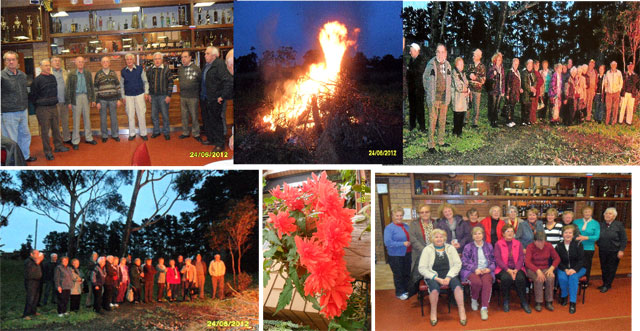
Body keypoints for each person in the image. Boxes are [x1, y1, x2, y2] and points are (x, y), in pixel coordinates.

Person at [418, 229, 467, 326]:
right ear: (432, 239)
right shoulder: (427, 249)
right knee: (435, 290)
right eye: (436, 237)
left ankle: (462, 310)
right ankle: (433, 312)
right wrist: (436, 278)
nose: (439, 239)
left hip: (449, 274)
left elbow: (457, 264)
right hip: (433, 275)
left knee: (458, 287)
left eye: (441, 237)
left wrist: (449, 277)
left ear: (444, 238)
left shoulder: (451, 248)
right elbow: (422, 268)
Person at [30, 59, 70, 160]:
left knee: (56, 128)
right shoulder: (37, 80)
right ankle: (47, 151)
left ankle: (59, 146)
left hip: (54, 107)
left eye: (49, 65)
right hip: (43, 109)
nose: (48, 67)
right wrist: (39, 106)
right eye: (46, 65)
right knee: (45, 132)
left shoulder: (52, 77)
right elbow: (33, 96)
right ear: (41, 67)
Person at [2, 51, 35, 162]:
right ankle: (13, 160)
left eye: (13, 59)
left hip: (23, 111)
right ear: (5, 62)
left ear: (17, 61)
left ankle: (25, 156)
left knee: (25, 135)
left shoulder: (22, 75)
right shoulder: (2, 76)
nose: (11, 62)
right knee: (12, 139)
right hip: (9, 113)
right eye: (8, 60)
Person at [461, 226, 495, 321]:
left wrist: (489, 269)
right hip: (472, 270)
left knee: (486, 282)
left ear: (483, 235)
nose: (477, 235)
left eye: (479, 233)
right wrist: (474, 269)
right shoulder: (468, 247)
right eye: (475, 234)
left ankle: (484, 308)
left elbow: (493, 260)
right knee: (477, 282)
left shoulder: (489, 246)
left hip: (486, 270)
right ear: (472, 236)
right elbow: (464, 261)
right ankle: (474, 299)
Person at [494, 225, 531, 313]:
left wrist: (516, 270)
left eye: (511, 231)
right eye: (507, 231)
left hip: (517, 268)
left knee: (521, 278)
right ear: (503, 234)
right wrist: (508, 270)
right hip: (503, 268)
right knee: (506, 278)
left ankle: (523, 301)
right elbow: (498, 259)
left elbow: (521, 258)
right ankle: (506, 301)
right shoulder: (498, 244)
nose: (510, 233)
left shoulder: (518, 243)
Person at [202, 46, 233, 151]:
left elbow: (228, 81)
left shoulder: (219, 65)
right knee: (209, 120)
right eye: (205, 53)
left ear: (214, 55)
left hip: (215, 99)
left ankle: (220, 144)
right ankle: (212, 139)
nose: (205, 55)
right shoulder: (207, 65)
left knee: (216, 121)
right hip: (206, 98)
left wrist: (222, 96)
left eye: (207, 53)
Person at [423, 44, 452, 152]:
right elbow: (424, 79)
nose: (440, 54)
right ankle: (431, 144)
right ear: (436, 53)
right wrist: (429, 93)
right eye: (438, 52)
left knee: (442, 121)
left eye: (442, 52)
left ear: (446, 53)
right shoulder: (431, 64)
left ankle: (441, 141)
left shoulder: (448, 65)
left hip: (444, 98)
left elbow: (450, 81)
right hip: (434, 99)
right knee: (432, 121)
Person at [65, 56, 97, 150]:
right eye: (79, 62)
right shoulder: (71, 74)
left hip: (86, 97)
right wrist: (69, 101)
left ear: (84, 63)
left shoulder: (87, 73)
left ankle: (89, 138)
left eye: (82, 62)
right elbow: (68, 88)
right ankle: (75, 140)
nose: (80, 63)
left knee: (87, 118)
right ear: (75, 63)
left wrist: (93, 99)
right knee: (76, 120)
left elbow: (91, 86)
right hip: (76, 97)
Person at [525, 231, 560, 312]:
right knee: (539, 279)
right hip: (532, 268)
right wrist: (537, 271)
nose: (541, 244)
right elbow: (527, 262)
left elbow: (557, 258)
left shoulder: (549, 246)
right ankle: (538, 302)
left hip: (545, 268)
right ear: (534, 241)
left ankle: (549, 301)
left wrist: (551, 268)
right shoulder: (530, 247)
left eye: (542, 241)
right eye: (538, 241)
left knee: (550, 278)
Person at [555, 224, 586, 314]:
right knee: (562, 278)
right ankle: (564, 296)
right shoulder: (559, 246)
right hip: (563, 268)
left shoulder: (578, 244)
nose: (568, 235)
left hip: (578, 268)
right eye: (566, 233)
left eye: (570, 233)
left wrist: (574, 270)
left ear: (573, 234)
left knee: (573, 278)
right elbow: (558, 261)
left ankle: (573, 302)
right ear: (562, 234)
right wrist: (565, 269)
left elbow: (581, 260)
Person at [383, 207, 412, 300]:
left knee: (407, 273)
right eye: (397, 215)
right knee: (398, 274)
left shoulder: (406, 226)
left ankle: (407, 290)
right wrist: (402, 243)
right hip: (395, 255)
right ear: (392, 216)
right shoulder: (389, 228)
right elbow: (388, 243)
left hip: (407, 254)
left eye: (401, 215)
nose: (399, 217)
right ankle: (400, 292)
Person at [597, 207, 627, 293]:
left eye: (610, 214)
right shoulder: (601, 224)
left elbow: (624, 239)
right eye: (606, 213)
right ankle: (605, 283)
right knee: (603, 267)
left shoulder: (619, 225)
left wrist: (621, 250)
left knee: (611, 268)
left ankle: (607, 284)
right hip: (603, 250)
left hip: (614, 251)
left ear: (614, 216)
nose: (607, 215)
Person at [120, 53, 149, 141]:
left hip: (140, 95)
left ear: (133, 60)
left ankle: (143, 133)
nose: (129, 61)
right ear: (126, 61)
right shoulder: (123, 71)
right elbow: (121, 85)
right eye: (127, 59)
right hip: (128, 96)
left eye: (130, 59)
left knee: (141, 114)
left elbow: (145, 81)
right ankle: (132, 134)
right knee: (130, 115)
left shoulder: (140, 69)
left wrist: (146, 92)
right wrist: (123, 96)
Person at [408, 204, 435, 296]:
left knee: (432, 271)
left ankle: (433, 290)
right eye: (422, 212)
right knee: (420, 273)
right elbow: (413, 239)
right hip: (419, 253)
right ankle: (420, 293)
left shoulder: (436, 223)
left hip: (434, 253)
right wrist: (425, 250)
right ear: (419, 214)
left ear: (430, 212)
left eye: (426, 212)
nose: (424, 214)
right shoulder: (414, 224)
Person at [94, 56, 122, 143]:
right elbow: (95, 88)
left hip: (113, 99)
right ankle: (104, 135)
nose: (105, 63)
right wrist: (97, 101)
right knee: (103, 118)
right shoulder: (98, 74)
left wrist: (119, 99)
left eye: (107, 61)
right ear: (101, 63)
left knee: (114, 118)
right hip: (102, 100)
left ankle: (115, 134)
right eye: (103, 62)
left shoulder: (113, 73)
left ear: (109, 63)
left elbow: (118, 86)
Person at [146, 52, 173, 140]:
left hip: (164, 96)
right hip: (153, 96)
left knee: (165, 115)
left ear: (162, 60)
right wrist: (149, 94)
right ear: (153, 60)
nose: (157, 61)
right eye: (155, 59)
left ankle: (166, 132)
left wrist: (169, 95)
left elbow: (171, 83)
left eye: (159, 59)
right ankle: (156, 131)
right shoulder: (150, 70)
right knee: (154, 115)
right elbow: (148, 83)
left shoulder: (166, 69)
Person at [178, 51, 203, 141]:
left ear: (190, 57)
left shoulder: (196, 69)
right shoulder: (180, 69)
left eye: (185, 57)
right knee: (184, 116)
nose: (183, 59)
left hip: (193, 97)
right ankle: (185, 132)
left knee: (194, 116)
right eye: (182, 57)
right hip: (183, 96)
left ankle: (196, 133)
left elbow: (201, 82)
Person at [574, 206, 600, 283]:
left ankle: (585, 282)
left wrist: (586, 237)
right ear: (582, 213)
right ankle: (576, 280)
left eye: (589, 211)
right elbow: (572, 232)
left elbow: (597, 236)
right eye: (585, 212)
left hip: (589, 248)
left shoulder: (596, 223)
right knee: (576, 265)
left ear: (591, 213)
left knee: (586, 265)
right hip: (577, 247)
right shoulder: (576, 222)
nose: (587, 213)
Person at [51, 56, 71, 144]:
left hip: (64, 101)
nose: (57, 62)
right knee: (55, 123)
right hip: (54, 102)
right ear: (51, 63)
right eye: (55, 61)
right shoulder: (49, 72)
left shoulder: (64, 72)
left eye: (59, 61)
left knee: (65, 121)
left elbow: (68, 86)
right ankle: (58, 140)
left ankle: (67, 138)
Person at [406, 43, 426, 131]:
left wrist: (408, 70)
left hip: (419, 89)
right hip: (411, 88)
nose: (410, 53)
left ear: (416, 51)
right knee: (412, 107)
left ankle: (422, 127)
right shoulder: (411, 60)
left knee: (420, 108)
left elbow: (418, 72)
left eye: (411, 51)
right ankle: (412, 125)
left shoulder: (422, 60)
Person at [466, 49, 486, 128]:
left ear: (479, 57)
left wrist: (475, 78)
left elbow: (483, 80)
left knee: (476, 106)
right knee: (467, 105)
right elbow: (466, 75)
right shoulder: (470, 65)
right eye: (473, 55)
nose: (473, 57)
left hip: (477, 89)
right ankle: (465, 120)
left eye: (474, 55)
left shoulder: (482, 66)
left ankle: (475, 122)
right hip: (469, 88)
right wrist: (469, 76)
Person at [486, 52, 506, 127]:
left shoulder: (502, 68)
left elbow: (503, 80)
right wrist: (493, 74)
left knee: (497, 106)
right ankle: (492, 121)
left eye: (500, 60)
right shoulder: (492, 67)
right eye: (497, 60)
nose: (499, 61)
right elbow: (488, 77)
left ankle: (495, 120)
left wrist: (503, 90)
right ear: (494, 60)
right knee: (493, 106)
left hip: (500, 89)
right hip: (493, 90)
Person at [451, 57, 470, 136]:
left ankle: (459, 131)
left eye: (463, 64)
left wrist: (467, 89)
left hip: (462, 97)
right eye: (461, 64)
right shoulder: (455, 73)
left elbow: (466, 82)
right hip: (457, 97)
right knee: (457, 114)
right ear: (457, 65)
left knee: (462, 113)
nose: (463, 66)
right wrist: (466, 90)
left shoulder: (462, 73)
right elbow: (458, 87)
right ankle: (456, 131)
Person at [23, 250, 43, 319]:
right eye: (36, 254)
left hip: (37, 281)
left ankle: (33, 311)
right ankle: (26, 314)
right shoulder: (28, 261)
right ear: (31, 254)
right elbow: (36, 264)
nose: (37, 255)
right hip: (30, 281)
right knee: (30, 297)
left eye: (38, 253)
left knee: (36, 297)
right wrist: (40, 259)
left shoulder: (35, 261)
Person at [603, 61, 623, 125]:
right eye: (612, 65)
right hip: (609, 93)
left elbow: (621, 82)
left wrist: (619, 90)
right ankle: (607, 121)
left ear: (616, 66)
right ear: (610, 65)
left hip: (616, 92)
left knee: (615, 108)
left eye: (614, 65)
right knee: (608, 108)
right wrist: (606, 90)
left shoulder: (619, 73)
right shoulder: (608, 73)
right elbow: (605, 82)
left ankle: (613, 121)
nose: (613, 66)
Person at [505, 58, 523, 127]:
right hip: (511, 92)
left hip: (516, 93)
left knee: (513, 107)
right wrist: (507, 94)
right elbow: (507, 84)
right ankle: (508, 121)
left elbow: (519, 82)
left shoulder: (518, 72)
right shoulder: (510, 72)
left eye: (517, 64)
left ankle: (511, 120)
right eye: (515, 63)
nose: (516, 65)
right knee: (509, 107)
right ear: (512, 63)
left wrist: (520, 88)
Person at [521, 59, 537, 126]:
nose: (530, 66)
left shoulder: (533, 72)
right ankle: (523, 121)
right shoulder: (524, 72)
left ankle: (528, 120)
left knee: (529, 107)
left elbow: (535, 81)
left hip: (531, 93)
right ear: (526, 65)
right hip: (525, 93)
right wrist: (531, 89)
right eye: (529, 64)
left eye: (531, 65)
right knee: (524, 107)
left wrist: (533, 87)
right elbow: (524, 84)